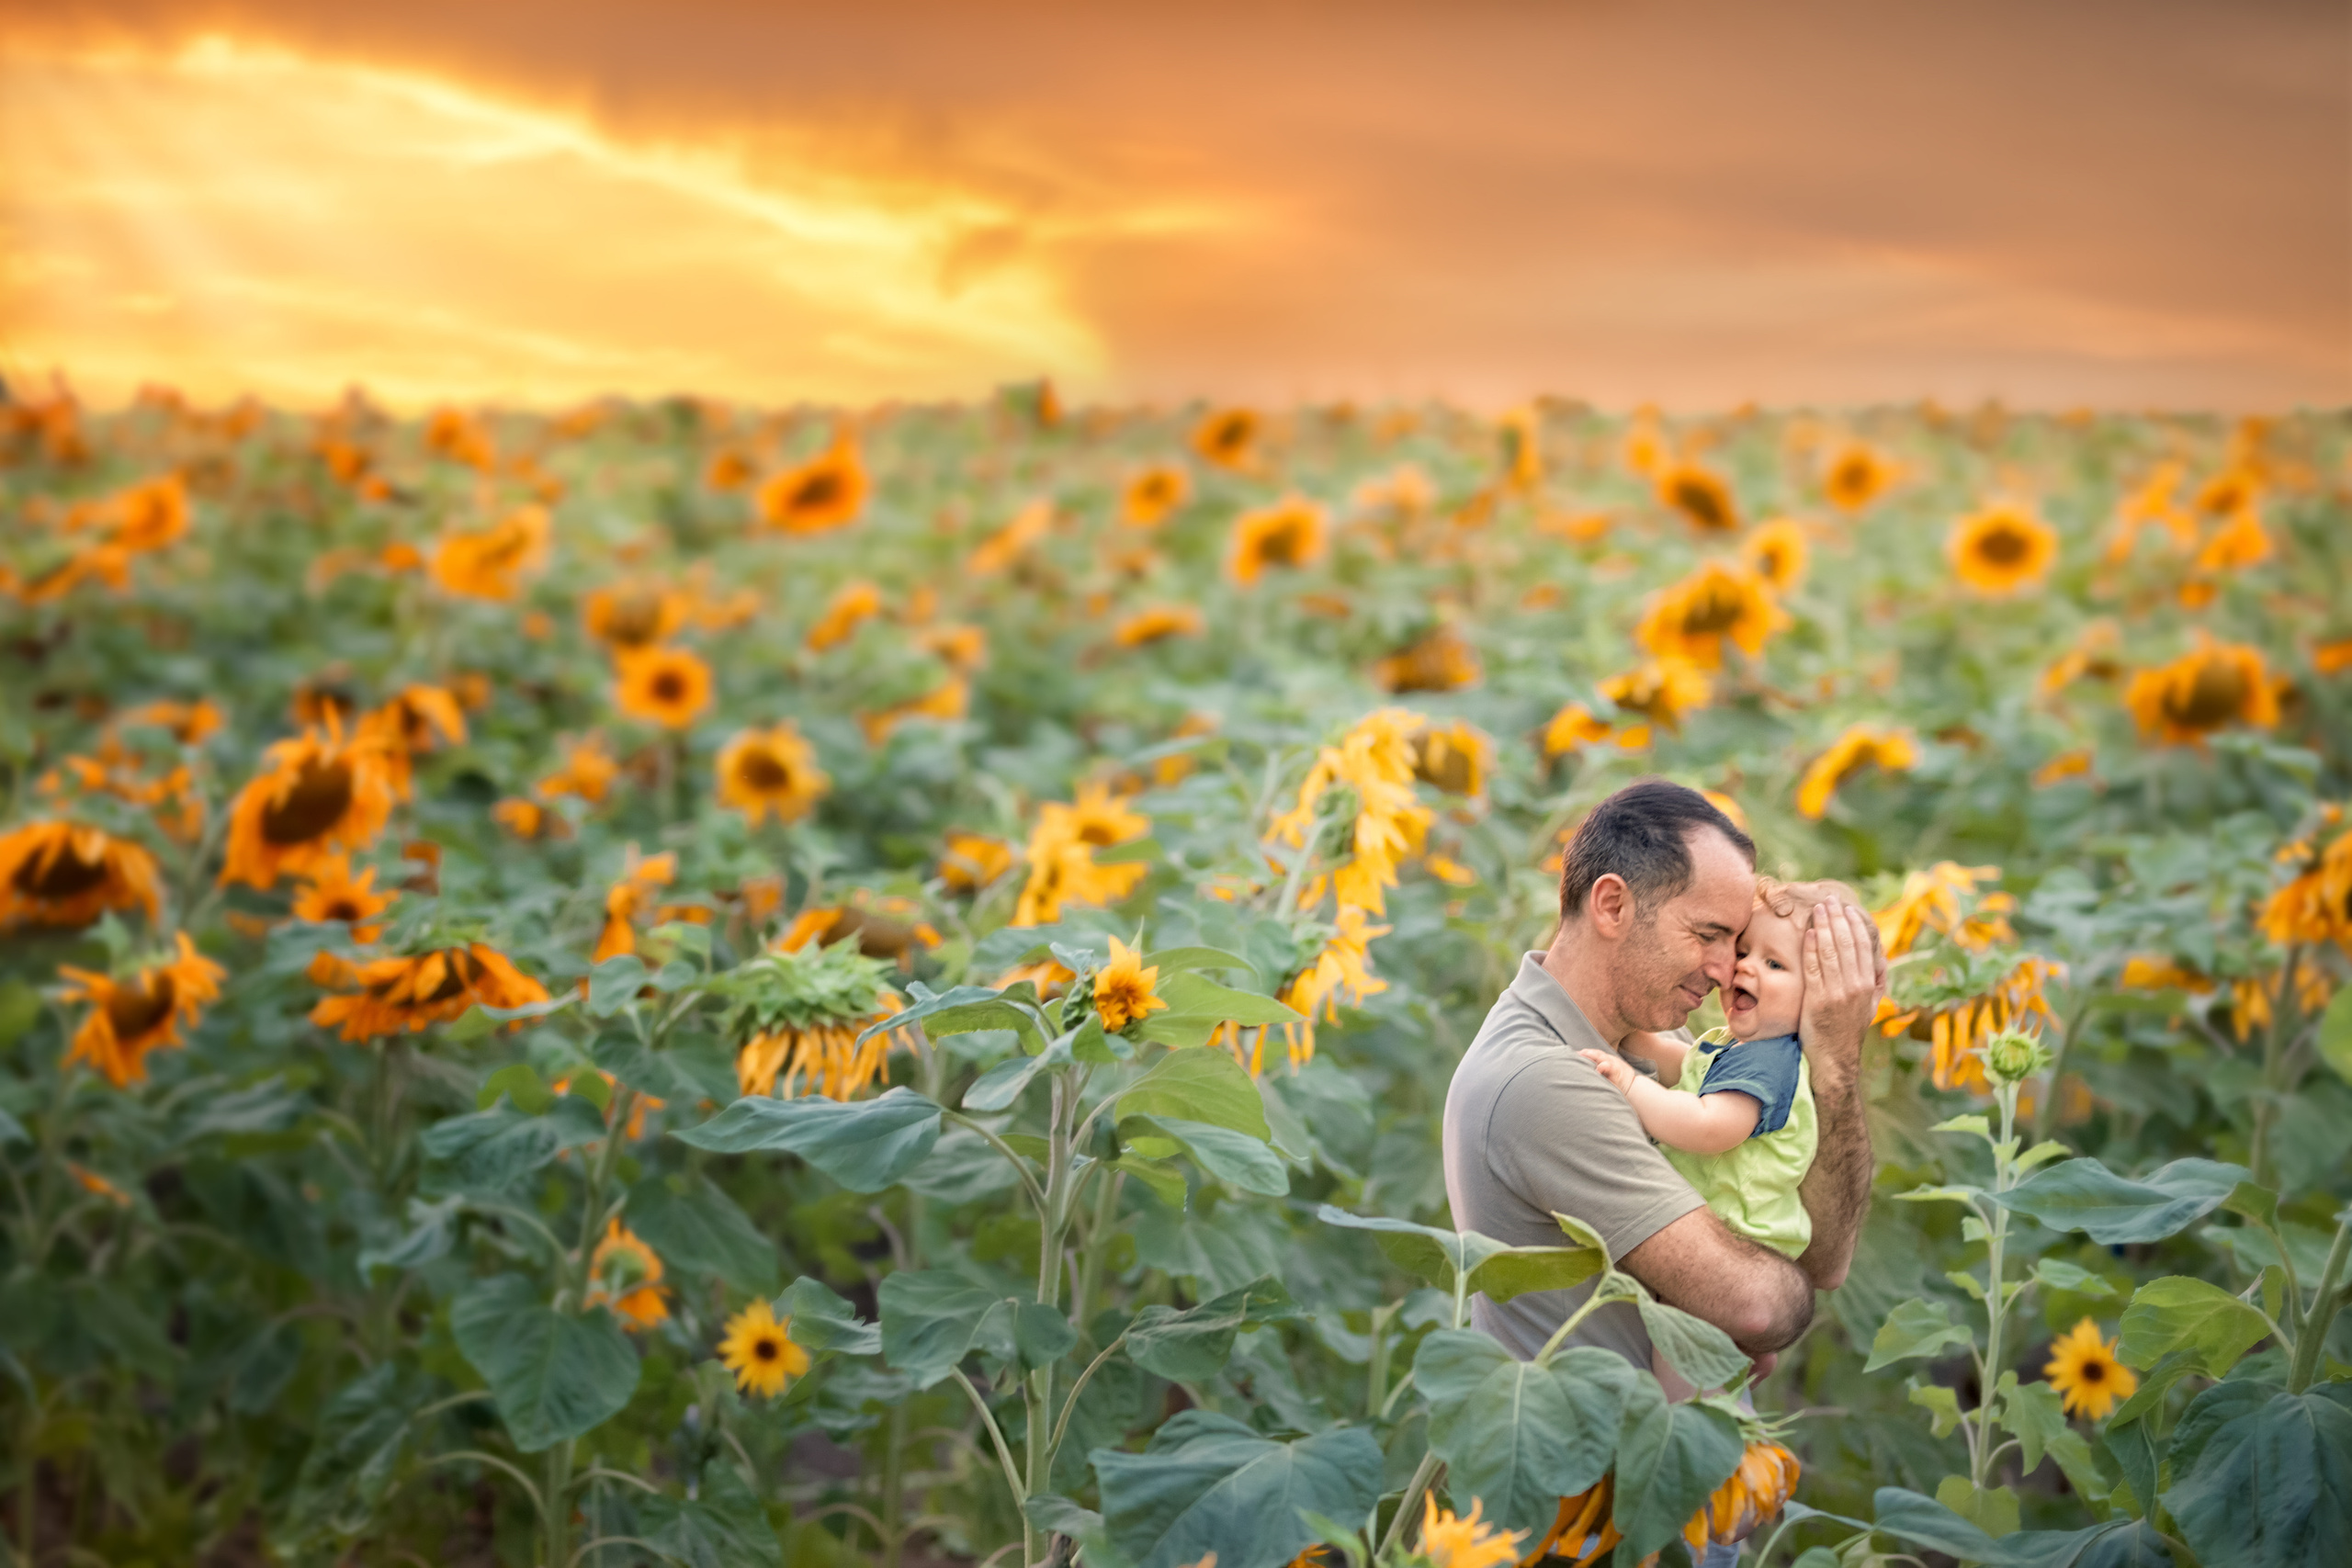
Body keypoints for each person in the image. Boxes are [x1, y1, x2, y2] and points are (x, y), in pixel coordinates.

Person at [1440, 779, 1882, 1379]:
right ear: (1613, 905)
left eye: (1740, 942)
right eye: (1708, 936)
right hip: (1594, 1462)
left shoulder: (1642, 1043)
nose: (1727, 969)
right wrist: (1774, 1292)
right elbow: (1755, 1305)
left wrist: (1833, 1062)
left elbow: (1828, 1259)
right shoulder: (1545, 1080)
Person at [1578, 876, 1857, 1396]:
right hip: (1730, 1228)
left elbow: (1710, 1127)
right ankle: (1735, 1378)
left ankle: (1690, 1425)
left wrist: (1631, 1083)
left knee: (1673, 1367)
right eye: (1745, 951)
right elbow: (1687, 1066)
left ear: (1816, 1001)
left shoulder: (1771, 1062)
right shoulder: (1736, 1046)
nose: (1746, 967)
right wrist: (1629, 1035)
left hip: (1738, 1236)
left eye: (1774, 965)